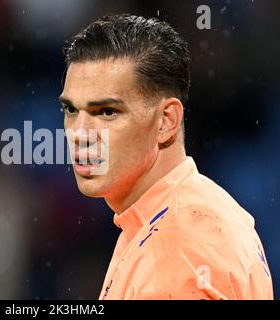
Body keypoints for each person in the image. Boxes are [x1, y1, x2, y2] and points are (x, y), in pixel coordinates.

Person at [59, 13, 273, 299]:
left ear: (166, 121)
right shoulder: (167, 220)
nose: (79, 133)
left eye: (107, 112)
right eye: (71, 110)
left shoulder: (177, 245)